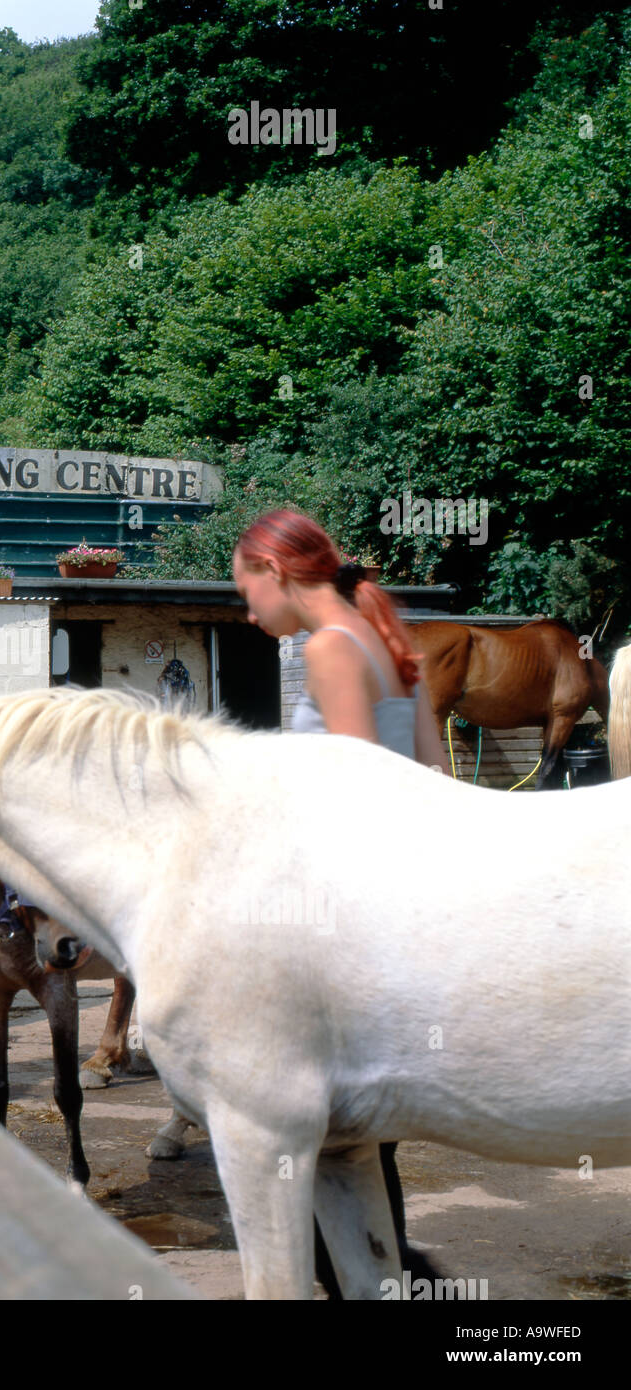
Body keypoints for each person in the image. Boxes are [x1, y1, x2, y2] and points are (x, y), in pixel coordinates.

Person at [232, 507, 448, 1297]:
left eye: (247, 589)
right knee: (364, 1151)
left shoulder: (328, 646)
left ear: (277, 572)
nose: (247, 612)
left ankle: (384, 1279)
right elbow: (433, 784)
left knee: (329, 1142)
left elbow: (355, 805)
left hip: (351, 920)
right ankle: (389, 1274)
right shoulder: (389, 644)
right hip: (404, 897)